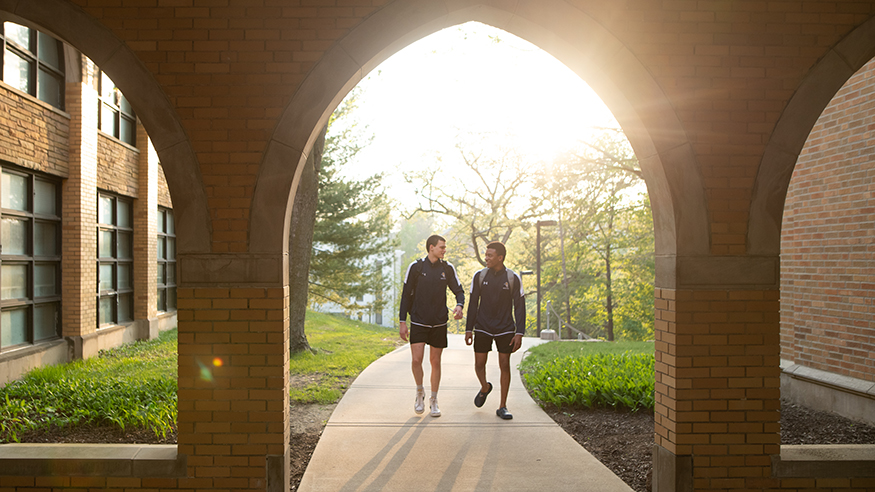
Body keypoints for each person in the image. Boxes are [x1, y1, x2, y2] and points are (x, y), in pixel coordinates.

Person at [399, 234, 465, 417]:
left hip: (439, 322)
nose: (444, 250)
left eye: (444, 247)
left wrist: (459, 306)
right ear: (431, 248)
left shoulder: (447, 268)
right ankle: (420, 392)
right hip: (419, 321)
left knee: (435, 361)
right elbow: (405, 295)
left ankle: (434, 400)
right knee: (416, 360)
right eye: (441, 247)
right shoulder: (416, 267)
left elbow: (459, 291)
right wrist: (402, 322)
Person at [465, 241, 526, 420]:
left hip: (505, 327)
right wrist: (469, 329)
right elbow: (473, 304)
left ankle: (502, 406)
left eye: (490, 255)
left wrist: (519, 332)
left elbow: (519, 307)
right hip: (482, 326)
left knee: (504, 365)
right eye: (486, 254)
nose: (486, 258)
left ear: (500, 257)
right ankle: (485, 387)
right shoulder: (480, 276)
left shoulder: (512, 278)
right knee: (479, 364)